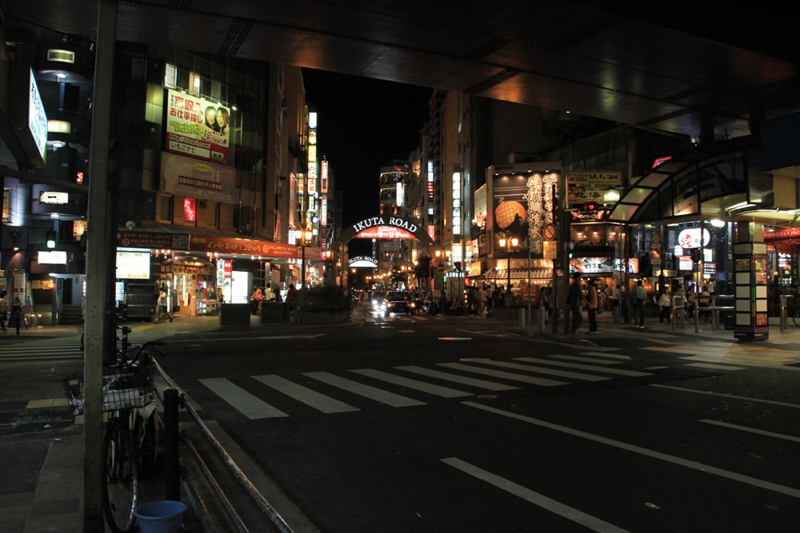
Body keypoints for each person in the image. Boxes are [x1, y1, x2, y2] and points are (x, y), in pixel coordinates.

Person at [567, 272, 585, 340]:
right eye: (580, 277)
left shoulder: (572, 285)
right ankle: (573, 332)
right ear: (578, 278)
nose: (581, 279)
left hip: (572, 303)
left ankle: (574, 331)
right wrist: (586, 302)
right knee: (577, 318)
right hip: (575, 303)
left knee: (577, 318)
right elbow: (581, 295)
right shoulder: (577, 285)